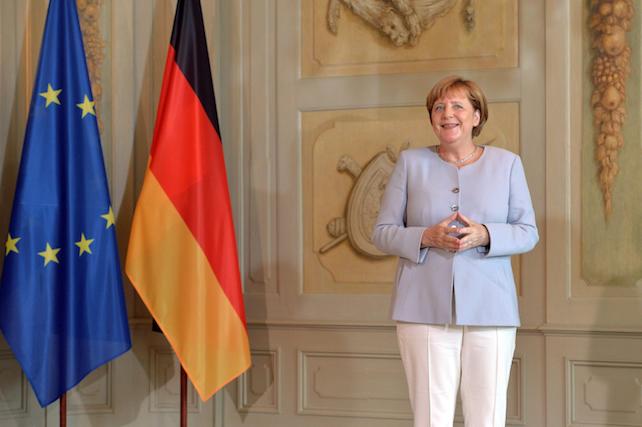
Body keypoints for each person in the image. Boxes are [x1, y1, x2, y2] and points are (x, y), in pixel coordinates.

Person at [372, 75, 538, 426]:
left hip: (491, 311)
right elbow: (383, 233)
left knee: (487, 418)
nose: (447, 113)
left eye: (458, 106)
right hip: (422, 309)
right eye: (438, 107)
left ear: (477, 116)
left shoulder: (507, 164)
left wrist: (486, 234)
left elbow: (528, 233)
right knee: (431, 418)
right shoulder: (409, 163)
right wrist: (425, 237)